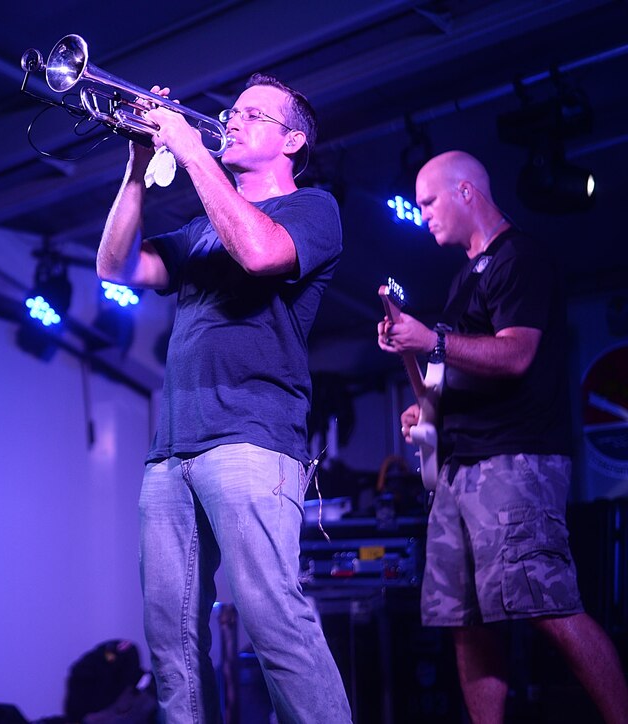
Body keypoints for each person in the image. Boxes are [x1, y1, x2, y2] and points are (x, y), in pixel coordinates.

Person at [96, 74, 351, 722]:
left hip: (252, 438)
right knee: (171, 643)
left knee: (274, 626)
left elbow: (261, 252)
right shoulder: (197, 230)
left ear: (292, 141)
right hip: (171, 448)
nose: (231, 122)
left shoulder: (313, 208)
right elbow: (115, 268)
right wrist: (135, 166)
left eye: (253, 116)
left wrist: (189, 149)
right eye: (230, 113)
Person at [376, 150, 628, 724]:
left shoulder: (521, 258)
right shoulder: (464, 277)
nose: (423, 215)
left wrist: (431, 338)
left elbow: (516, 354)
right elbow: (441, 386)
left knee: (549, 605)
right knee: (464, 622)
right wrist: (417, 391)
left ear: (467, 192)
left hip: (514, 462)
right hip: (458, 468)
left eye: (430, 201)